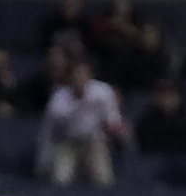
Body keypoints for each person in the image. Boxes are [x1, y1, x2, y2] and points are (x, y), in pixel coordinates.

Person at [40, 55, 125, 186]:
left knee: (103, 180)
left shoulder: (102, 92)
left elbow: (114, 120)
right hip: (66, 142)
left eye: (83, 74)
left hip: (94, 141)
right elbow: (48, 132)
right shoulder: (58, 100)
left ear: (90, 76)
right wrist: (44, 159)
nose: (79, 78)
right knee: (61, 180)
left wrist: (114, 130)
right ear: (70, 77)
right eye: (76, 74)